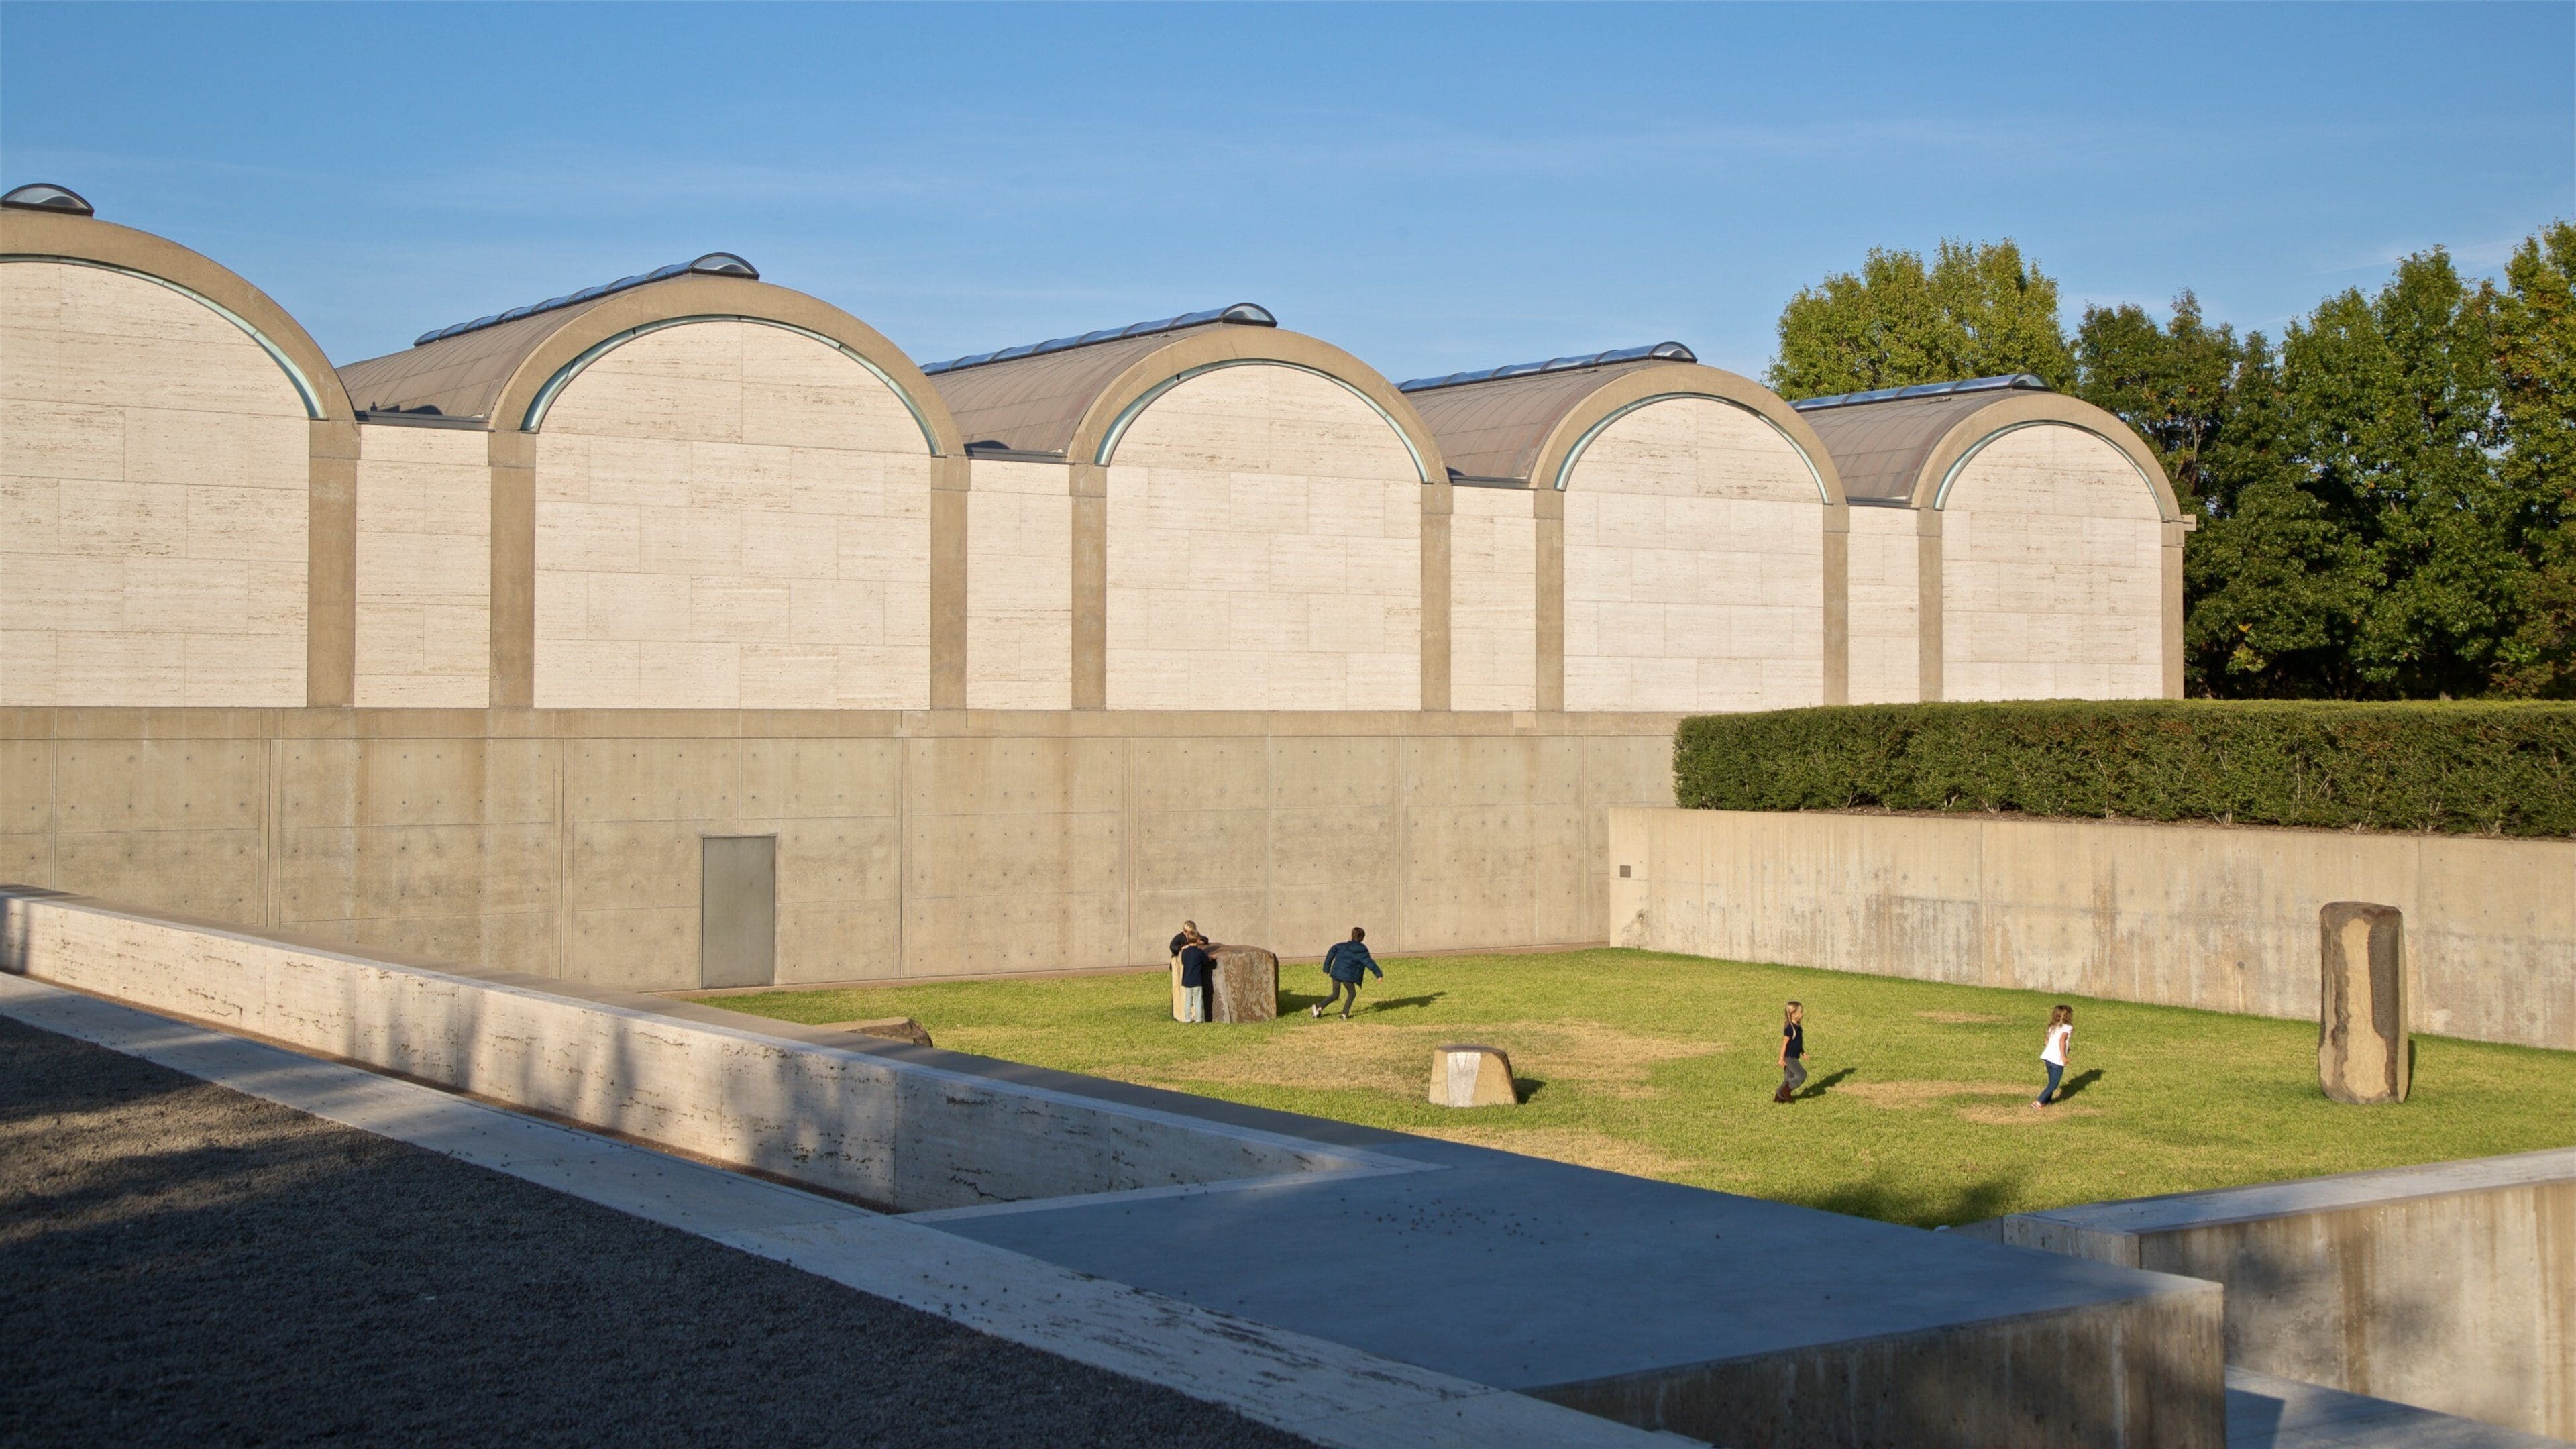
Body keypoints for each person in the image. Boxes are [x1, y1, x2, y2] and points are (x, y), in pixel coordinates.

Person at [1311, 927, 1380, 1020]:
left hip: (1336, 973)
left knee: (1335, 994)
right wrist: (1378, 974)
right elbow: (1369, 962)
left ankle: (1319, 1007)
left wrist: (1326, 968)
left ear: (1351, 936)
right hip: (1348, 976)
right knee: (1352, 993)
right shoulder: (1362, 950)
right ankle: (1344, 1014)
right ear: (1362, 939)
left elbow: (1331, 952)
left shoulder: (1341, 946)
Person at [2033, 1004, 2075, 1108]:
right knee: (2054, 1084)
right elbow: (2062, 1041)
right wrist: (2064, 1056)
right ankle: (2038, 1102)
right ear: (2068, 1016)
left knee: (2051, 1082)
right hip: (2057, 1060)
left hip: (2048, 1058)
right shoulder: (2067, 1028)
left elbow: (2047, 1040)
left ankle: (2046, 1102)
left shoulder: (2052, 1027)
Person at [1177, 932, 1218, 1024]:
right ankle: (1199, 1019)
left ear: (1187, 940)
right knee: (1198, 1000)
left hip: (1187, 981)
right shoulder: (1199, 952)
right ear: (1198, 940)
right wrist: (1212, 957)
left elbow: (1183, 962)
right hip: (1197, 981)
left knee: (1188, 1001)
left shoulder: (1185, 952)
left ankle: (1188, 1018)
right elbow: (1206, 960)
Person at [1773, 1000, 1807, 1104]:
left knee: (1789, 1078)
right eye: (1800, 1012)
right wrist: (1781, 1059)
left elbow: (1798, 1042)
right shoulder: (1789, 1029)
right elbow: (1784, 1045)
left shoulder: (1798, 1026)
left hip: (1795, 1056)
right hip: (1790, 1058)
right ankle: (1786, 1091)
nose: (1802, 1014)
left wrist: (1803, 1052)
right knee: (1802, 1074)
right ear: (1793, 1014)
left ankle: (1779, 1097)